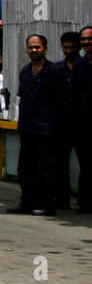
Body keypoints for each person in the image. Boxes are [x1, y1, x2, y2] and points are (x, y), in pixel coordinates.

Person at [9, 34, 59, 215]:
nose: (34, 50)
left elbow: (59, 101)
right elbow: (22, 98)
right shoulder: (25, 71)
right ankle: (27, 202)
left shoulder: (53, 71)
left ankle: (47, 204)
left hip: (46, 128)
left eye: (37, 47)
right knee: (26, 167)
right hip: (28, 126)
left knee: (45, 168)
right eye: (31, 47)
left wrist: (53, 125)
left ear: (44, 49)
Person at [52, 31, 82, 209]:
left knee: (86, 162)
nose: (69, 51)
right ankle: (62, 199)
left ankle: (85, 199)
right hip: (61, 123)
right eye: (66, 47)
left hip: (82, 122)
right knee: (60, 163)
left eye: (72, 47)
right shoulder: (57, 69)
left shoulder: (84, 67)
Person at [75, 28, 92, 214]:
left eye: (90, 39)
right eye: (84, 39)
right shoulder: (80, 66)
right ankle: (85, 202)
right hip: (84, 124)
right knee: (86, 165)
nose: (87, 42)